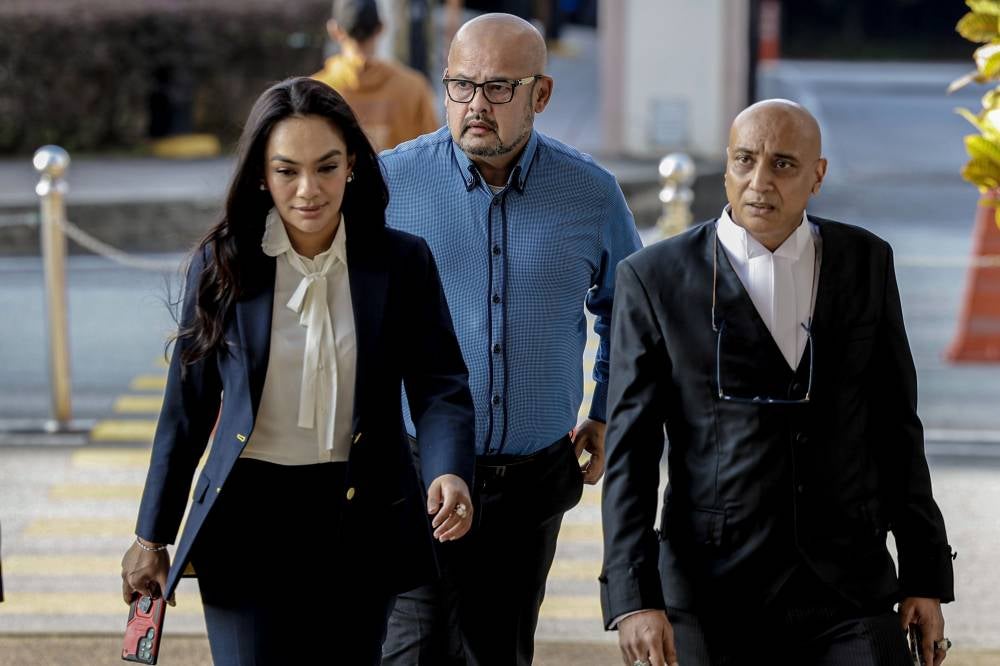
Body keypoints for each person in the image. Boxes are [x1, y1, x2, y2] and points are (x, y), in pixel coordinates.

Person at [120, 76, 475, 666]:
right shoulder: (222, 265)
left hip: (360, 516)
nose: (308, 190)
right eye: (287, 170)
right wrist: (149, 536)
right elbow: (186, 412)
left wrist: (449, 470)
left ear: (352, 166)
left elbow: (440, 386)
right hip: (244, 518)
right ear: (262, 174)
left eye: (326, 167)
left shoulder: (401, 262)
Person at [600, 99, 955, 666]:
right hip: (711, 590)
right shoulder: (654, 278)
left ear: (818, 175)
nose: (759, 182)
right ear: (725, 167)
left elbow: (896, 428)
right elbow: (631, 453)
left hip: (848, 588)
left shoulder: (865, 262)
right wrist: (634, 598)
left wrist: (925, 574)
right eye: (745, 160)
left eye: (783, 165)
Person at [379, 12, 642, 666]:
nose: (474, 105)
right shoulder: (390, 185)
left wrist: (607, 411)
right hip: (416, 475)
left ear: (541, 95)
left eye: (497, 88)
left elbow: (630, 314)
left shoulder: (591, 194)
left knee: (499, 654)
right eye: (460, 86)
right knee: (408, 652)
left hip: (530, 485)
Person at [313, 0, 439, 151]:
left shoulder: (316, 90)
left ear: (335, 31)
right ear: (381, 28)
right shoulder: (413, 87)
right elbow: (434, 152)